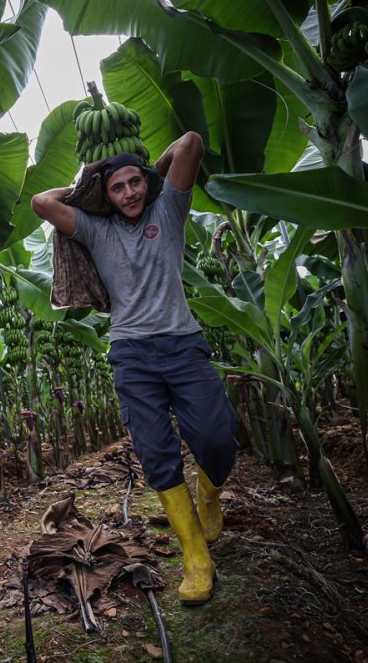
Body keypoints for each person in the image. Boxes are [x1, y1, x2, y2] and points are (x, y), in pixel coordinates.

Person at [31, 132, 238, 606]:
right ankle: (195, 555)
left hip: (184, 345)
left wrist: (152, 172)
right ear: (105, 196)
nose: (129, 193)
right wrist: (88, 189)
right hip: (131, 354)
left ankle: (209, 491)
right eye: (118, 188)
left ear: (146, 182)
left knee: (216, 437)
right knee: (155, 451)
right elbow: (43, 202)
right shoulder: (94, 229)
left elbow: (190, 144)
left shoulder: (169, 210)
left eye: (134, 183)